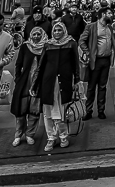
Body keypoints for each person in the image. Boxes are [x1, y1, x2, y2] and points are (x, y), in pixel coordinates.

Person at [32, 21, 79, 152]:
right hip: (48, 83)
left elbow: (76, 64)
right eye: (55, 31)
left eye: (59, 30)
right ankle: (51, 137)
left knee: (63, 111)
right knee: (48, 112)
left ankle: (63, 136)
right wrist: (35, 83)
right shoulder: (48, 45)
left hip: (64, 82)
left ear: (64, 31)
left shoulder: (71, 44)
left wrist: (77, 81)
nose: (57, 33)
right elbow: (41, 65)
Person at [11, 26, 46, 147]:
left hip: (38, 83)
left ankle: (30, 134)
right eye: (34, 34)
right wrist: (17, 78)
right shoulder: (25, 46)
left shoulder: (46, 47)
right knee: (20, 110)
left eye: (38, 35)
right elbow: (18, 64)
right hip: (24, 82)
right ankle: (18, 134)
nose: (36, 37)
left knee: (34, 110)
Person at [79, 5, 115, 120]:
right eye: (109, 13)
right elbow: (82, 40)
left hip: (106, 60)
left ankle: (101, 110)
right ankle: (88, 110)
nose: (111, 15)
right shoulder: (91, 27)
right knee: (91, 87)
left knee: (103, 86)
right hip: (95, 60)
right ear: (103, 15)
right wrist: (88, 52)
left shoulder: (110, 28)